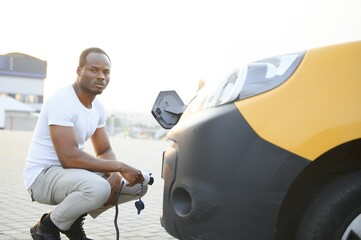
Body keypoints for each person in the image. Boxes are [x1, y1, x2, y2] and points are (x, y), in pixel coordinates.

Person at [24, 47, 147, 240]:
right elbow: (69, 157)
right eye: (94, 69)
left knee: (138, 185)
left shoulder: (97, 108)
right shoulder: (62, 100)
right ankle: (46, 226)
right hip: (42, 176)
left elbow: (104, 149)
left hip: (67, 175)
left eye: (106, 72)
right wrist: (119, 166)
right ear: (79, 70)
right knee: (99, 187)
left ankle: (71, 224)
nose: (101, 76)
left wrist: (115, 175)